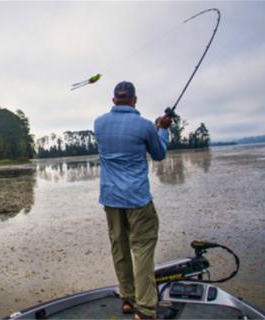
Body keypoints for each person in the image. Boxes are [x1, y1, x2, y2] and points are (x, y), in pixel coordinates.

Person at [94, 81, 172, 319]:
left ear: (113, 99)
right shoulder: (145, 126)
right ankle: (146, 309)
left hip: (111, 199)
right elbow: (159, 154)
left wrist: (154, 127)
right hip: (138, 199)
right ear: (135, 100)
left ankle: (128, 299)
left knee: (120, 249)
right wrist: (163, 129)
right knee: (143, 251)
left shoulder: (99, 123)